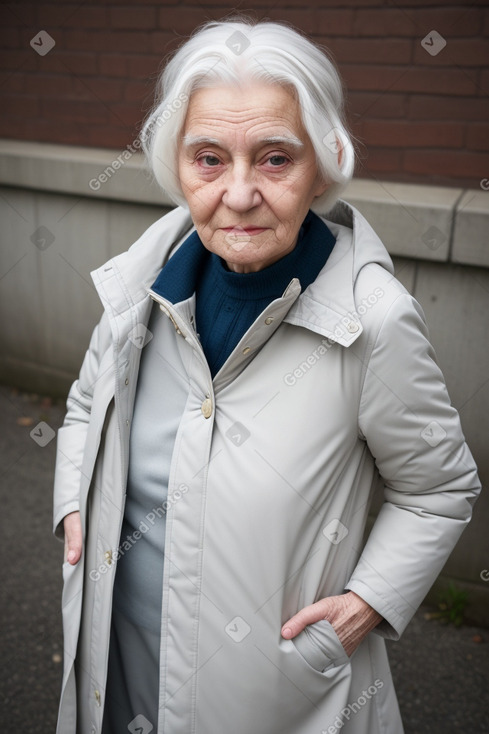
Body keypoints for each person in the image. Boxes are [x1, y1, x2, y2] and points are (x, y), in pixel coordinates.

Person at [53, 17, 480, 734]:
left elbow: (437, 489)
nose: (240, 193)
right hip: (116, 655)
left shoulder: (373, 318)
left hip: (272, 695)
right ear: (177, 166)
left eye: (275, 158)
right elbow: (83, 405)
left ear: (323, 163)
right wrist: (74, 502)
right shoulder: (139, 287)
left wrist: (368, 602)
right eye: (209, 159)